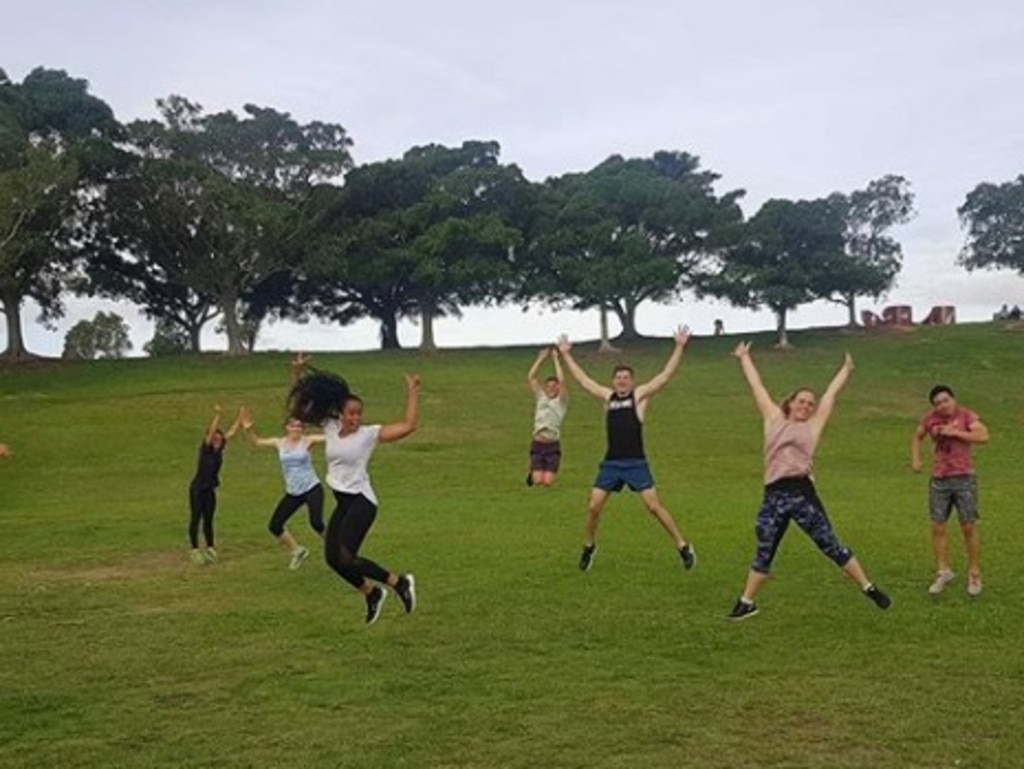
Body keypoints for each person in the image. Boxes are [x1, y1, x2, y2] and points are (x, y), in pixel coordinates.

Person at [726, 342, 891, 620]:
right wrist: (744, 358)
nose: (806, 406)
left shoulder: (812, 427)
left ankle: (868, 587)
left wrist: (845, 370)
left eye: (810, 404)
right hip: (773, 496)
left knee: (830, 544)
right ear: (790, 403)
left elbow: (830, 396)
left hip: (802, 493)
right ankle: (746, 603)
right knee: (764, 548)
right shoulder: (772, 418)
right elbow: (758, 388)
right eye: (802, 401)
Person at [288, 367, 420, 625]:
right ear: (340, 413)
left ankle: (399, 582)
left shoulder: (368, 435)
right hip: (343, 503)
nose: (356, 418)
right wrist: (298, 375)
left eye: (359, 414)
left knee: (347, 557)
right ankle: (371, 594)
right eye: (351, 413)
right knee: (333, 560)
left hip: (362, 501)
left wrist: (413, 393)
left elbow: (408, 426)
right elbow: (300, 410)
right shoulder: (330, 426)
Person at [557, 328, 696, 572]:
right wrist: (566, 354)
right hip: (611, 463)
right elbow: (583, 381)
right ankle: (589, 547)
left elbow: (664, 376)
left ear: (631, 381)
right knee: (593, 507)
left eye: (625, 377)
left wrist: (679, 347)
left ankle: (683, 546)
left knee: (653, 507)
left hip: (636, 463)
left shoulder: (639, 397)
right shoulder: (607, 397)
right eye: (618, 377)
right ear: (613, 381)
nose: (622, 380)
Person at [910, 385, 988, 596]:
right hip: (939, 480)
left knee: (968, 527)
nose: (942, 405)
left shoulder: (966, 416)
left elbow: (983, 436)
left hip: (964, 478)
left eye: (945, 400)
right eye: (937, 403)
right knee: (938, 526)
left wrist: (956, 432)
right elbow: (917, 436)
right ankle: (943, 571)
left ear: (953, 399)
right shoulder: (930, 419)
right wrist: (916, 459)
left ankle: (974, 573)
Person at [239, 407, 326, 571]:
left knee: (316, 523)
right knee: (274, 525)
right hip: (293, 493)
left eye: (299, 426)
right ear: (287, 427)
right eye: (293, 425)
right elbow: (256, 442)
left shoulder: (308, 441)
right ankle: (297, 550)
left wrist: (340, 428)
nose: (296, 429)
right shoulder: (279, 443)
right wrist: (248, 429)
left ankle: (335, 548)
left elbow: (329, 438)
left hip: (311, 488)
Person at [188, 406, 242, 564]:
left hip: (210, 490)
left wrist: (240, 418)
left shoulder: (219, 449)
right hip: (197, 489)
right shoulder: (205, 449)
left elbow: (231, 432)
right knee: (196, 518)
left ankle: (211, 548)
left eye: (219, 438)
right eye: (215, 438)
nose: (218, 440)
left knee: (209, 519)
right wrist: (218, 415)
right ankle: (195, 549)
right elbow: (211, 432)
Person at [526, 347, 568, 487]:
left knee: (547, 483)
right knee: (538, 481)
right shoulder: (541, 397)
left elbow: (562, 381)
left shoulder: (561, 402)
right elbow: (531, 377)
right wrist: (541, 358)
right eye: (548, 386)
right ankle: (532, 472)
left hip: (552, 445)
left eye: (554, 386)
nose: (551, 388)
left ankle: (540, 470)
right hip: (538, 443)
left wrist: (556, 359)